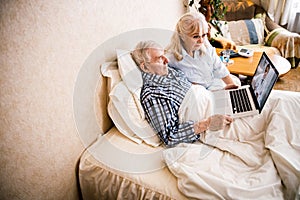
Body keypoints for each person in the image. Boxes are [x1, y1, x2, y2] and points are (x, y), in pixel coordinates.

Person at [131, 40, 233, 147]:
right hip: (210, 120)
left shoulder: (170, 72)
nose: (166, 60)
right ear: (145, 67)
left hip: (215, 101)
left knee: (248, 105)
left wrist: (219, 93)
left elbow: (193, 90)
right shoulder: (153, 94)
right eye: (160, 58)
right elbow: (170, 136)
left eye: (164, 55)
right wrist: (208, 123)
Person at [165, 12, 239, 90]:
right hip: (199, 95)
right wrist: (221, 91)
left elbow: (219, 68)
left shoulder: (206, 45)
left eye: (204, 35)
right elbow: (186, 88)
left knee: (237, 83)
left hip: (214, 85)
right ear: (182, 36)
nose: (201, 41)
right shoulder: (171, 59)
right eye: (196, 36)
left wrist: (232, 87)